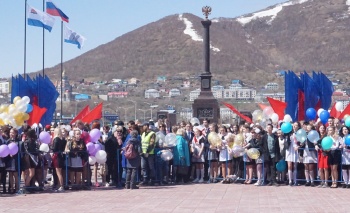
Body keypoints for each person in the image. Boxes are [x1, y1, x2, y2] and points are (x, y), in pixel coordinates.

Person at [21, 129, 39, 193]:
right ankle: (26, 186)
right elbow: (32, 150)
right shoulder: (30, 141)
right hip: (30, 157)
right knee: (31, 173)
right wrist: (38, 151)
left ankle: (28, 186)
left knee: (29, 173)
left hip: (28, 157)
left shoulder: (27, 140)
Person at [285, 122, 301, 186]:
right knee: (289, 165)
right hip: (289, 149)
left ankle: (295, 180)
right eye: (294, 125)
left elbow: (302, 142)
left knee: (295, 166)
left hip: (296, 150)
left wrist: (298, 146)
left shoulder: (300, 133)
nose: (295, 126)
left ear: (298, 126)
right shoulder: (289, 133)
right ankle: (290, 180)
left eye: (296, 125)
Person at [5, 128, 19, 194]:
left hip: (16, 160)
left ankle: (17, 188)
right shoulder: (7, 141)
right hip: (9, 160)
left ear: (16, 133)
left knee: (16, 174)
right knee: (10, 174)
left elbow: (19, 150)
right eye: (10, 132)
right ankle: (11, 188)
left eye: (12, 133)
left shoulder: (18, 142)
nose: (11, 134)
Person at [52, 127, 67, 192]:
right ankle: (59, 185)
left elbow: (54, 149)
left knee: (58, 172)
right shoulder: (63, 139)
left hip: (57, 156)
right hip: (61, 156)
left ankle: (61, 185)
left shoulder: (56, 139)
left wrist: (51, 147)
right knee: (60, 172)